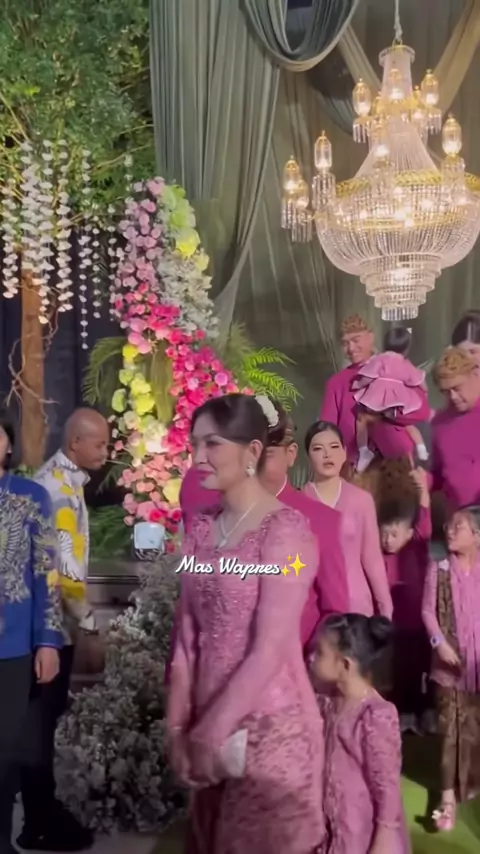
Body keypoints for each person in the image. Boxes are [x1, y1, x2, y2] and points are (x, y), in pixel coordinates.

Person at [167, 393, 324, 854]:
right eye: (194, 445)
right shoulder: (199, 529)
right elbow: (187, 640)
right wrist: (176, 730)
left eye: (212, 444)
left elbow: (270, 648)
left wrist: (207, 734)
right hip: (207, 731)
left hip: (272, 734)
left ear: (253, 451)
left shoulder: (286, 532)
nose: (198, 457)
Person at [177, 398, 349, 652]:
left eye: (266, 454)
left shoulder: (320, 520)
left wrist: (307, 661)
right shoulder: (209, 517)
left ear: (290, 455)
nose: (254, 465)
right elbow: (188, 609)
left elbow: (335, 612)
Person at [18, 408, 109, 852]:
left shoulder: (64, 482)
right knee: (37, 728)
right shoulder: (55, 489)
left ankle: (41, 811)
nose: (106, 452)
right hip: (49, 631)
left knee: (43, 724)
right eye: (100, 444)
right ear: (75, 443)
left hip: (53, 627)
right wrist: (89, 626)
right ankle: (37, 821)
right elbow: (64, 572)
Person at [0, 411, 63, 854]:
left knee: (4, 756)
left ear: (8, 445)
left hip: (14, 648)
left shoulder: (30, 497)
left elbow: (47, 574)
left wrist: (48, 640)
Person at [313, 613, 410, 854]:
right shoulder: (328, 700)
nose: (311, 657)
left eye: (320, 652)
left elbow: (386, 785)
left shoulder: (375, 715)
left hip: (360, 834)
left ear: (345, 665)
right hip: (332, 823)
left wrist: (383, 839)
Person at [422, 504, 480, 831]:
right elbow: (427, 613)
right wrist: (439, 644)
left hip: (477, 667)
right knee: (448, 732)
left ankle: (468, 787)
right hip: (447, 667)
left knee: (472, 730)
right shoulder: (439, 568)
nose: (450, 531)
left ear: (476, 535)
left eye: (459, 526)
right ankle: (446, 799)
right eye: (448, 526)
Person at [304, 421, 392, 618]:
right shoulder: (298, 502)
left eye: (334, 447)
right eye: (318, 449)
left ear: (344, 453)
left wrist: (386, 608)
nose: (327, 454)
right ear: (308, 457)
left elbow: (372, 558)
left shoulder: (361, 500)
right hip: (312, 606)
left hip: (355, 605)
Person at [379, 468, 432, 734]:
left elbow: (424, 513)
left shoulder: (417, 545)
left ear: (410, 533)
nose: (388, 540)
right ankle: (405, 714)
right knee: (403, 670)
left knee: (426, 669)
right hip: (398, 627)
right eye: (384, 534)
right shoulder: (378, 556)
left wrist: (422, 487)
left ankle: (425, 712)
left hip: (424, 624)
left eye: (394, 534)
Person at [353, 326, 429, 472]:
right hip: (397, 401)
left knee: (362, 419)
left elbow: (369, 376)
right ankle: (421, 448)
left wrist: (358, 384)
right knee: (407, 424)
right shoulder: (405, 363)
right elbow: (419, 380)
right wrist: (424, 391)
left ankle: (363, 450)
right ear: (406, 348)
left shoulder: (380, 359)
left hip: (377, 399)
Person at [320, 314, 376, 462]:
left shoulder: (390, 372)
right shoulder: (336, 383)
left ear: (371, 337)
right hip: (351, 464)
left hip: (392, 463)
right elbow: (328, 431)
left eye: (356, 340)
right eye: (345, 343)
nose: (351, 348)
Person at [431, 347, 480, 510]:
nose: (453, 397)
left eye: (457, 388)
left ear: (475, 375)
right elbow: (438, 474)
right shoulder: (440, 423)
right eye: (445, 392)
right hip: (458, 516)